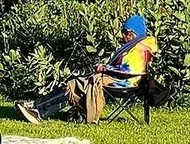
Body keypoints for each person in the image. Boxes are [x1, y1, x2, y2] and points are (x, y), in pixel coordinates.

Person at [19, 15, 159, 124]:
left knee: (74, 84)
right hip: (124, 82)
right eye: (123, 32)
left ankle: (38, 109)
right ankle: (38, 107)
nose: (123, 36)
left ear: (135, 32)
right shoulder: (143, 45)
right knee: (77, 84)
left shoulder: (138, 49)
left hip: (122, 84)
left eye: (126, 32)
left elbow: (127, 70)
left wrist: (104, 68)